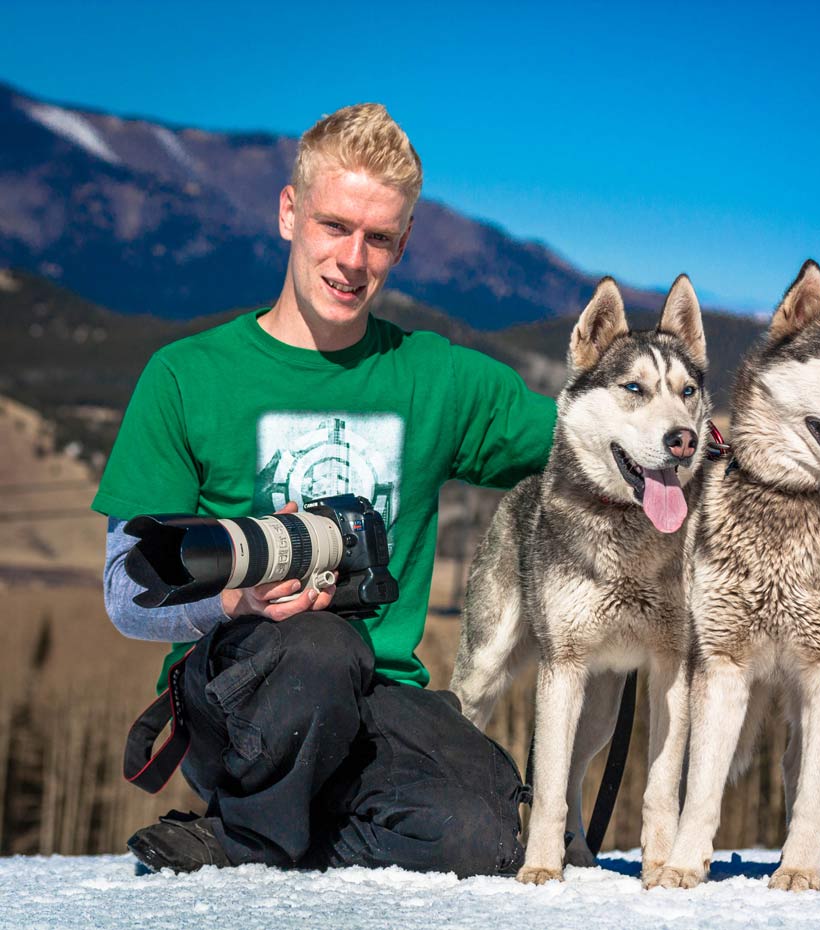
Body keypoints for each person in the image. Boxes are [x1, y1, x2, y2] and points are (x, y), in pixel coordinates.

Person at [93, 104, 556, 876]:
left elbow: (590, 434)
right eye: (334, 225)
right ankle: (251, 826)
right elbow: (122, 591)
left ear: (403, 243)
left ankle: (269, 839)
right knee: (314, 645)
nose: (352, 258)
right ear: (288, 212)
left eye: (378, 238)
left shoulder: (436, 377)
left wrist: (708, 437)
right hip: (240, 701)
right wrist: (236, 602)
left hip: (377, 696)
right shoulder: (187, 376)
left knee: (502, 836)